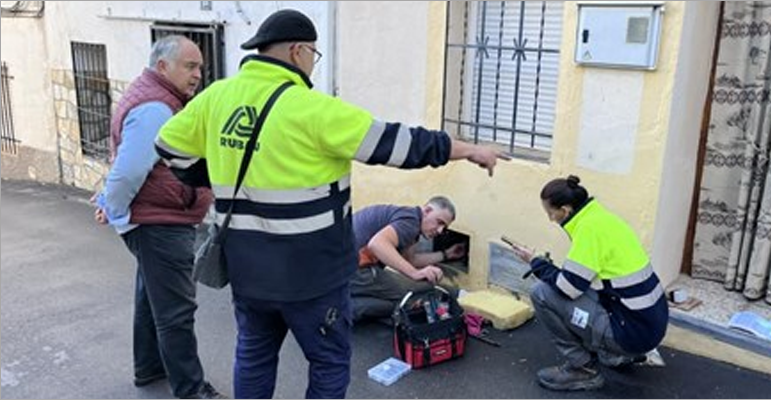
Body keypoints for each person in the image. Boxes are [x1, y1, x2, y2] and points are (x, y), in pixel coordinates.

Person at [154, 8, 506, 399]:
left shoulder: (215, 97)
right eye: (312, 56)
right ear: (298, 52)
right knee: (328, 362)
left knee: (254, 355)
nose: (312, 65)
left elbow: (168, 145)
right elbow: (399, 143)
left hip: (248, 270)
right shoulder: (313, 108)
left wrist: (214, 178)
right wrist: (468, 150)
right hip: (312, 275)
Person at [92, 36, 223, 398]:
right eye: (190, 66)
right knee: (176, 312)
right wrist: (114, 209)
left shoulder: (158, 98)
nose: (198, 74)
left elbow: (126, 165)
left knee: (152, 299)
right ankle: (191, 389)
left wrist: (111, 203)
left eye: (199, 66)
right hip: (163, 222)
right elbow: (129, 170)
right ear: (163, 66)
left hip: (156, 218)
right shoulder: (157, 107)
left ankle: (150, 369)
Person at [511, 175, 668, 391]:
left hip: (631, 333)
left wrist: (535, 262)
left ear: (565, 210)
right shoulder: (601, 218)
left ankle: (582, 368)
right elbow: (580, 279)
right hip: (647, 324)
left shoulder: (588, 232)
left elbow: (569, 288)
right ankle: (614, 354)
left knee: (542, 293)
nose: (550, 219)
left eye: (551, 213)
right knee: (578, 289)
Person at [351, 196, 466, 322]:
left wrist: (446, 254)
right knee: (410, 299)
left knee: (398, 303)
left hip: (338, 265)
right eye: (439, 222)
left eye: (444, 227)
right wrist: (415, 273)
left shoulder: (411, 220)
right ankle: (344, 311)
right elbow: (377, 244)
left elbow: (410, 260)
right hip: (354, 268)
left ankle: (342, 304)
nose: (440, 230)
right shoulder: (410, 222)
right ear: (427, 211)